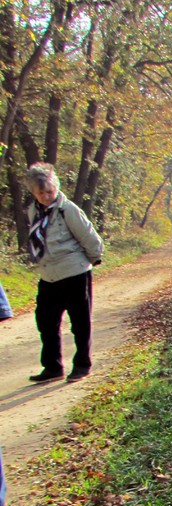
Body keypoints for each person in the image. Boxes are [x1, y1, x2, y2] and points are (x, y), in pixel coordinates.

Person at [25, 163, 103, 383]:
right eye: (41, 193)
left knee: (80, 321)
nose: (46, 196)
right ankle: (52, 367)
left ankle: (82, 365)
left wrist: (94, 258)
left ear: (56, 188)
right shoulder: (34, 211)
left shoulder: (67, 209)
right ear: (34, 192)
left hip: (74, 271)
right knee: (45, 321)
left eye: (50, 191)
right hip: (48, 274)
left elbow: (88, 235)